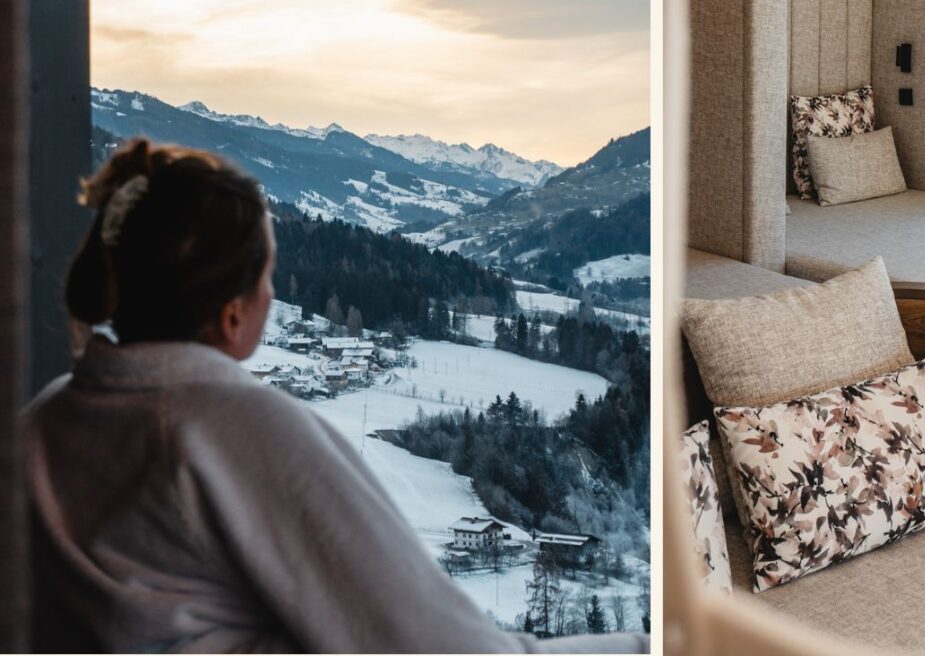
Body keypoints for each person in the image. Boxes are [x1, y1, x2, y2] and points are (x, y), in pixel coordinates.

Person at [21, 139, 647, 654]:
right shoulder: (233, 427)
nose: (272, 297)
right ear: (233, 314)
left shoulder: (42, 422)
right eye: (267, 280)